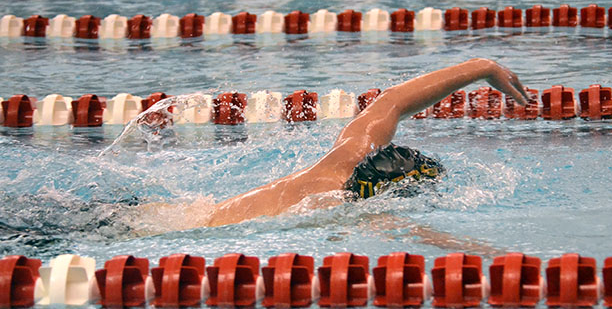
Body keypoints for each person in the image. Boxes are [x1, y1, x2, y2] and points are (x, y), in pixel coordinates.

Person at [205, 58, 529, 228]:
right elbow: (415, 236)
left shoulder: (349, 156)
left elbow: (393, 101)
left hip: (196, 212)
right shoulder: (330, 207)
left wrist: (481, 67)